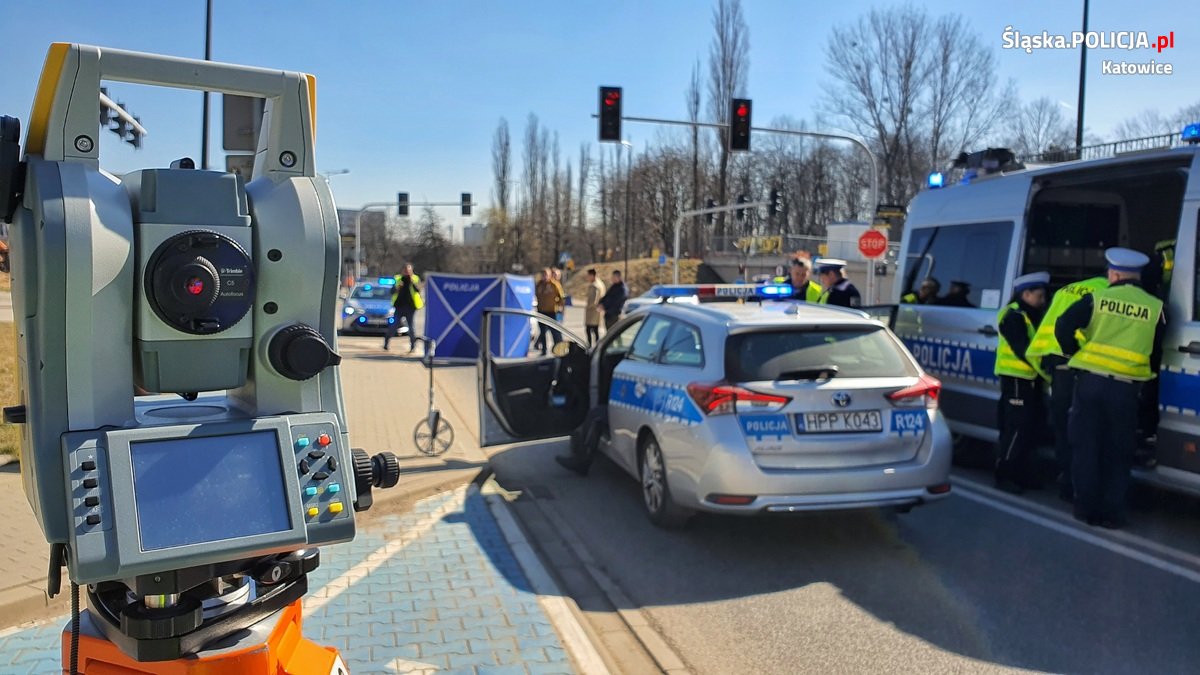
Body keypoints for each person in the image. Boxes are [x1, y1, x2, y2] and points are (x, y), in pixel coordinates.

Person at [1056, 248, 1166, 529]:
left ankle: (1085, 508)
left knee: (1086, 446)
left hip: (1092, 383)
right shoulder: (1155, 306)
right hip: (1127, 390)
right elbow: (1156, 350)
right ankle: (1112, 512)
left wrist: (1075, 352)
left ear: (1113, 274)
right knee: (1118, 451)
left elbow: (1063, 325)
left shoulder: (1097, 298)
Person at [1024, 274, 1109, 501]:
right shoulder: (1106, 293)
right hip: (1080, 362)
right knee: (1085, 427)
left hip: (1056, 361)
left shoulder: (1067, 290)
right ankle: (1081, 485)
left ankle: (1066, 481)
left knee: (1063, 425)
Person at [993, 271, 1050, 493]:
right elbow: (1026, 350)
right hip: (1016, 380)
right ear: (1025, 294)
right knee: (1016, 429)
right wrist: (1049, 372)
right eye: (1040, 295)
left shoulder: (1031, 315)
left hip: (1030, 381)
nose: (1043, 300)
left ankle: (1023, 473)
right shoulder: (1013, 316)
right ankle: (1004, 473)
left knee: (1031, 428)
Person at [384, 264, 422, 353]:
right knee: (394, 326)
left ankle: (413, 346)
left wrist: (412, 282)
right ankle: (386, 343)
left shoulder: (415, 279)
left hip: (410, 307)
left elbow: (418, 290)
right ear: (402, 271)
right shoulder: (398, 279)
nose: (407, 272)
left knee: (411, 328)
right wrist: (398, 287)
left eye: (408, 271)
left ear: (411, 271)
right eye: (405, 270)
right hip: (399, 307)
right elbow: (391, 291)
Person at [534, 268, 565, 355]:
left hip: (552, 312)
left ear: (549, 275)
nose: (544, 277)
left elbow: (561, 297)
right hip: (541, 311)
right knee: (542, 332)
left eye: (546, 275)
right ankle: (543, 350)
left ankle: (558, 349)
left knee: (555, 332)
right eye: (543, 275)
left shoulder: (554, 285)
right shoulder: (539, 285)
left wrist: (560, 307)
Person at [584, 268, 605, 347]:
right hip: (598, 311)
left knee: (589, 330)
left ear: (592, 275)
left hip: (592, 312)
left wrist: (588, 306)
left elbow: (593, 300)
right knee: (596, 331)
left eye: (588, 275)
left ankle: (590, 347)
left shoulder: (594, 286)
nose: (587, 277)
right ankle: (597, 346)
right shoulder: (600, 283)